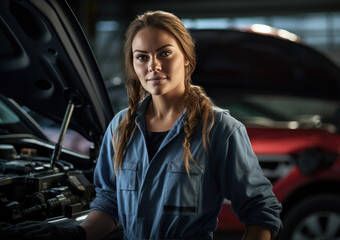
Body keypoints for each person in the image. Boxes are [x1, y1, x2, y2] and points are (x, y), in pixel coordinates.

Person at [16, 10, 282, 240]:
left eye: (164, 53)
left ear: (187, 58)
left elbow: (260, 209)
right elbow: (110, 201)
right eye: (141, 57)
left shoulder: (220, 130)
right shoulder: (120, 127)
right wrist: (78, 234)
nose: (153, 66)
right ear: (133, 65)